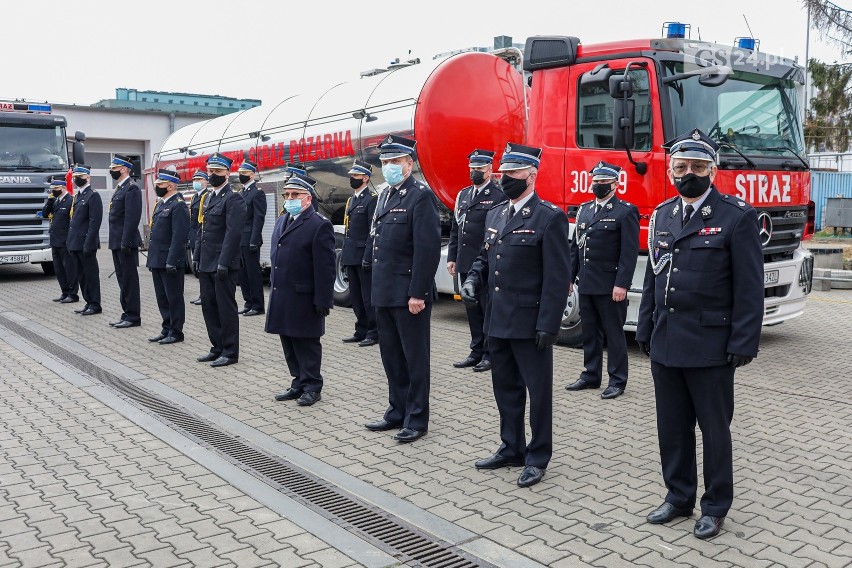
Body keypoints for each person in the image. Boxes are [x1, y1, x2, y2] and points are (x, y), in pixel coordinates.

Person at [636, 129, 763, 540]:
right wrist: (644, 327)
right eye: (681, 166)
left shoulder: (735, 216)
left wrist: (743, 341)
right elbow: (655, 277)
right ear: (671, 169)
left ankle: (715, 506)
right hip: (667, 341)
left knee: (714, 430)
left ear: (713, 170)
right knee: (671, 428)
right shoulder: (663, 215)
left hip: (711, 345)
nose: (688, 173)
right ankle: (678, 497)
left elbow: (749, 287)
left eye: (697, 167)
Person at [461, 142, 571, 488]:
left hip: (530, 323)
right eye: (503, 173)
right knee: (505, 388)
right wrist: (473, 276)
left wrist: (549, 325)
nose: (505, 178)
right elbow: (485, 255)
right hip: (498, 320)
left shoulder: (549, 217)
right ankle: (511, 447)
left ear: (531, 175)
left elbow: (557, 277)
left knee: (538, 395)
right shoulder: (495, 213)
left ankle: (538, 457)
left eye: (512, 173)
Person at [364, 135, 441, 443]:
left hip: (409, 293)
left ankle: (417, 418)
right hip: (384, 291)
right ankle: (397, 410)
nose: (389, 167)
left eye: (395, 162)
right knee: (391, 356)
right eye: (385, 163)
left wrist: (418, 293)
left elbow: (427, 249)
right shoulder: (385, 195)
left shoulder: (420, 195)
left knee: (415, 359)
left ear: (409, 163)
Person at [565, 161, 639, 399]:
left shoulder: (625, 211)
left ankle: (617, 380)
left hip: (610, 287)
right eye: (595, 182)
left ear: (615, 185)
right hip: (586, 283)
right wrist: (569, 278)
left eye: (603, 183)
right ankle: (591, 375)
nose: (597, 186)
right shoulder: (585, 209)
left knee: (614, 334)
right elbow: (576, 247)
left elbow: (628, 253)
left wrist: (622, 284)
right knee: (590, 332)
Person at [267, 174, 336, 406]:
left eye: (295, 195)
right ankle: (297, 382)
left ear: (308, 198)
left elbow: (325, 268)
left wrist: (323, 299)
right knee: (288, 340)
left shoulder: (318, 224)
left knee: (307, 343)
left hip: (305, 295)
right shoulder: (282, 220)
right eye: (286, 195)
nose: (289, 199)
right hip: (283, 293)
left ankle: (312, 386)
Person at [447, 149, 505, 373]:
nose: (474, 172)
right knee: (471, 309)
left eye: (479, 169)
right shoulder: (463, 195)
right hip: (465, 263)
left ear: (490, 170)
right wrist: (452, 257)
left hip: (485, 265)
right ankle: (476, 350)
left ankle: (490, 354)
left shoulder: (498, 195)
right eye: (472, 168)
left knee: (487, 309)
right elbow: (456, 228)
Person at [194, 153, 247, 367]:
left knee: (225, 307)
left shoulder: (233, 198)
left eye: (217, 171)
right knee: (209, 305)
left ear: (227, 172)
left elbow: (233, 234)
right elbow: (203, 230)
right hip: (207, 261)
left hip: (223, 263)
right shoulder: (209, 197)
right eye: (210, 171)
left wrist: (224, 262)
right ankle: (216, 347)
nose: (213, 175)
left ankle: (230, 351)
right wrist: (197, 257)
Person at [146, 168, 190, 345]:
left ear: (170, 185)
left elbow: (179, 236)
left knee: (174, 297)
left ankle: (176, 331)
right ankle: (166, 327)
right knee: (162, 297)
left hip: (170, 260)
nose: (157, 187)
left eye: (160, 184)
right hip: (158, 259)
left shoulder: (178, 205)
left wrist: (172, 260)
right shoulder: (162, 203)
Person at [340, 159, 379, 347]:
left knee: (367, 297)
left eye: (355, 176)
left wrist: (368, 255)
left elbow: (373, 230)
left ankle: (373, 332)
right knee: (355, 297)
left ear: (365, 177)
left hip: (363, 255)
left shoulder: (371, 199)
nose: (352, 179)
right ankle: (360, 329)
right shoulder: (352, 199)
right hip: (350, 254)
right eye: (351, 176)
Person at [107, 154, 143, 329]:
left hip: (125, 242)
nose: (111, 171)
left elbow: (132, 218)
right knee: (122, 279)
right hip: (117, 241)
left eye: (114, 168)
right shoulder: (120, 188)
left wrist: (126, 242)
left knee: (129, 279)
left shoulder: (131, 188)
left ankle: (134, 316)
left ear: (123, 169)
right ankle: (126, 313)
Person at [66, 165, 103, 316]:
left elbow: (95, 222)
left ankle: (95, 304)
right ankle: (88, 301)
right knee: (81, 275)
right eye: (75, 177)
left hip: (86, 244)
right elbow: (73, 222)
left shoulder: (93, 195)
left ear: (88, 177)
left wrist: (89, 242)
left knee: (90, 275)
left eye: (80, 176)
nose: (76, 179)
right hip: (75, 243)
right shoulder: (77, 196)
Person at [42, 177, 79, 304]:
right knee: (59, 269)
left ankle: (73, 294)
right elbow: (45, 215)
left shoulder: (71, 201)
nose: (53, 191)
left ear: (63, 187)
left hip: (65, 241)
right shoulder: (55, 201)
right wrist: (49, 202)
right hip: (55, 241)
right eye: (52, 189)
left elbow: (73, 222)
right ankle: (65, 292)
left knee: (69, 269)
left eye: (56, 189)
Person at [237, 159, 267, 317]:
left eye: (244, 173)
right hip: (240, 239)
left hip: (250, 239)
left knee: (253, 273)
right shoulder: (241, 192)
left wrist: (254, 240)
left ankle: (258, 305)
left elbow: (258, 218)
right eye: (240, 173)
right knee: (242, 273)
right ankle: (248, 302)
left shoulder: (257, 192)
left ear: (252, 174)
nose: (241, 175)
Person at [188, 170, 209, 306]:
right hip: (194, 236)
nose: (196, 182)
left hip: (201, 236)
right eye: (195, 180)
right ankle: (202, 294)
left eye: (199, 179)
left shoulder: (207, 196)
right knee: (197, 268)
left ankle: (205, 295)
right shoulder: (195, 197)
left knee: (202, 268)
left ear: (206, 182)